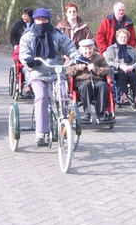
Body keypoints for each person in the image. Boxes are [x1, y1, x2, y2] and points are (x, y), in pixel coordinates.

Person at [19, 8, 87, 146]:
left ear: (48, 20)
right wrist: (28, 59)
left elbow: (69, 47)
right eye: (38, 20)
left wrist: (76, 57)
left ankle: (64, 124)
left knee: (62, 96)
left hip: (56, 71)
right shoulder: (28, 35)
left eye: (44, 20)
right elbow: (23, 52)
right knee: (42, 97)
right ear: (34, 20)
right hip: (37, 72)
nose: (41, 22)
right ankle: (41, 132)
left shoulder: (57, 34)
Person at [66, 39, 111, 123]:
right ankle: (87, 114)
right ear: (80, 49)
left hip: (96, 81)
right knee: (85, 86)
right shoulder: (74, 58)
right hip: (81, 81)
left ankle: (101, 113)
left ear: (93, 48)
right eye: (85, 49)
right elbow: (67, 70)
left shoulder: (99, 58)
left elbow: (108, 70)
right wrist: (78, 67)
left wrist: (95, 69)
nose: (88, 51)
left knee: (103, 85)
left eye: (90, 48)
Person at [106, 29, 136, 106]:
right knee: (122, 74)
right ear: (117, 38)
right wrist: (120, 66)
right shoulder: (111, 49)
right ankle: (124, 96)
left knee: (133, 75)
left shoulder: (131, 49)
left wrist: (132, 66)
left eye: (125, 37)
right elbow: (108, 61)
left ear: (127, 38)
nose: (123, 39)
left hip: (131, 70)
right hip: (117, 72)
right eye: (121, 37)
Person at [10, 7, 35, 99]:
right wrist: (15, 45)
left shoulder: (35, 24)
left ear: (30, 16)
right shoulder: (18, 24)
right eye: (23, 15)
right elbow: (13, 35)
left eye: (26, 16)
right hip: (20, 47)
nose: (24, 17)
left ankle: (31, 89)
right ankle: (23, 87)